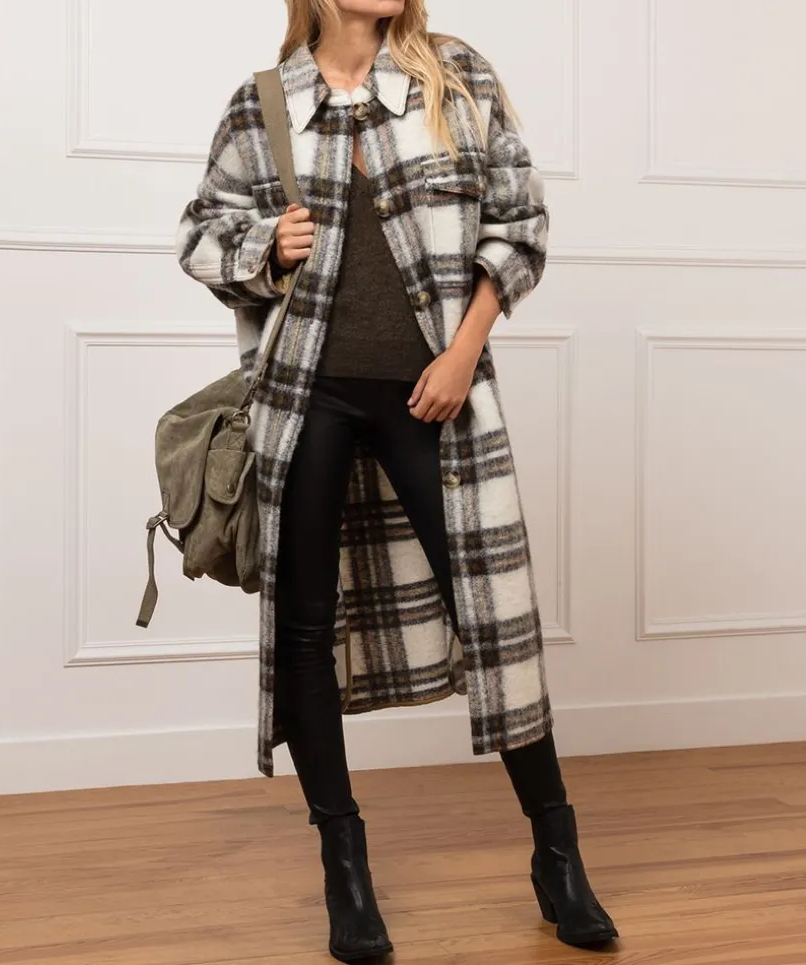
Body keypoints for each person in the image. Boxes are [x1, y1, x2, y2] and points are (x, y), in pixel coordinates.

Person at [176, 0, 618, 960]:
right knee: (304, 629)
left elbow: (519, 222)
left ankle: (557, 853)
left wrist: (462, 354)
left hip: (433, 388)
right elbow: (200, 235)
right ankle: (345, 866)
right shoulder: (265, 103)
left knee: (493, 616)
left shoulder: (453, 77)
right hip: (306, 395)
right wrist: (264, 247)